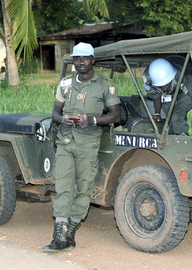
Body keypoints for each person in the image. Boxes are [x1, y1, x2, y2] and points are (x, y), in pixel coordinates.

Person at [43, 42, 121, 252]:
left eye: (85, 58)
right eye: (77, 59)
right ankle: (59, 234)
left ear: (92, 60)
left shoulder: (105, 84)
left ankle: (71, 231)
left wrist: (92, 121)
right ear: (74, 61)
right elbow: (55, 113)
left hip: (88, 144)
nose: (81, 63)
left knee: (84, 187)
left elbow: (116, 114)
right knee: (63, 187)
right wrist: (63, 119)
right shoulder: (65, 84)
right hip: (66, 142)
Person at [142, 57, 192, 136]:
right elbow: (156, 95)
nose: (164, 88)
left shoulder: (186, 76)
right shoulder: (149, 79)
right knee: (168, 120)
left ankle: (182, 141)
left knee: (176, 117)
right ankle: (172, 138)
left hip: (186, 91)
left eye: (166, 84)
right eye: (161, 86)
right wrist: (157, 114)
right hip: (170, 93)